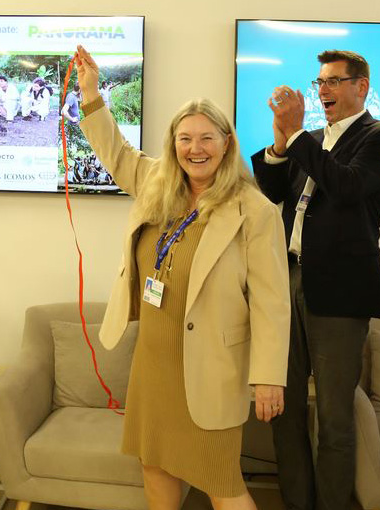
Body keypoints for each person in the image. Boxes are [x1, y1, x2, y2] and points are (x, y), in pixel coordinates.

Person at [73, 45, 290, 510]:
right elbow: (115, 151)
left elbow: (273, 302)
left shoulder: (255, 211)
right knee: (155, 467)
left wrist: (269, 377)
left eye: (207, 138)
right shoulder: (158, 183)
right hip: (154, 361)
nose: (196, 149)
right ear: (174, 144)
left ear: (227, 143)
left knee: (221, 481)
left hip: (212, 366)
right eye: (186, 139)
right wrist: (91, 95)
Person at [251, 49, 380, 510]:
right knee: (284, 410)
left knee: (335, 419)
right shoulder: (310, 140)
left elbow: (348, 186)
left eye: (335, 81)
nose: (324, 91)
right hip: (288, 280)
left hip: (340, 292)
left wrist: (296, 136)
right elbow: (273, 193)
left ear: (362, 87)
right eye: (320, 83)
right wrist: (281, 145)